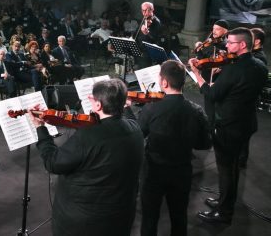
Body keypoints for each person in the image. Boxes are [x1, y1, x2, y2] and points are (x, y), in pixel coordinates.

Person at [29, 78, 144, 236]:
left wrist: (40, 128)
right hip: (122, 216)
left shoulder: (88, 135)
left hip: (85, 223)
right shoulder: (135, 128)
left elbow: (52, 163)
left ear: (98, 105)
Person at [189, 27, 268, 224]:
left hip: (228, 127)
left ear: (242, 45)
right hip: (246, 123)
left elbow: (212, 95)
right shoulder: (260, 66)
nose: (226, 45)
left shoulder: (233, 69)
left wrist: (197, 74)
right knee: (232, 169)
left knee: (226, 170)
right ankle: (224, 201)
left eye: (231, 42)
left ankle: (223, 213)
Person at [137, 60, 211, 236]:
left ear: (163, 82)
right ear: (183, 82)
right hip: (182, 171)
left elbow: (139, 134)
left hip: (153, 172)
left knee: (149, 219)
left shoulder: (151, 108)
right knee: (179, 217)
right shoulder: (196, 110)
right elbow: (204, 144)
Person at [135, 2, 162, 68]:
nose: (145, 13)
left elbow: (155, 38)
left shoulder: (156, 22)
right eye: (143, 10)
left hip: (147, 52)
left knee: (144, 71)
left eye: (147, 10)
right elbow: (136, 32)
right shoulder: (144, 19)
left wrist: (147, 33)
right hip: (139, 50)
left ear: (152, 10)